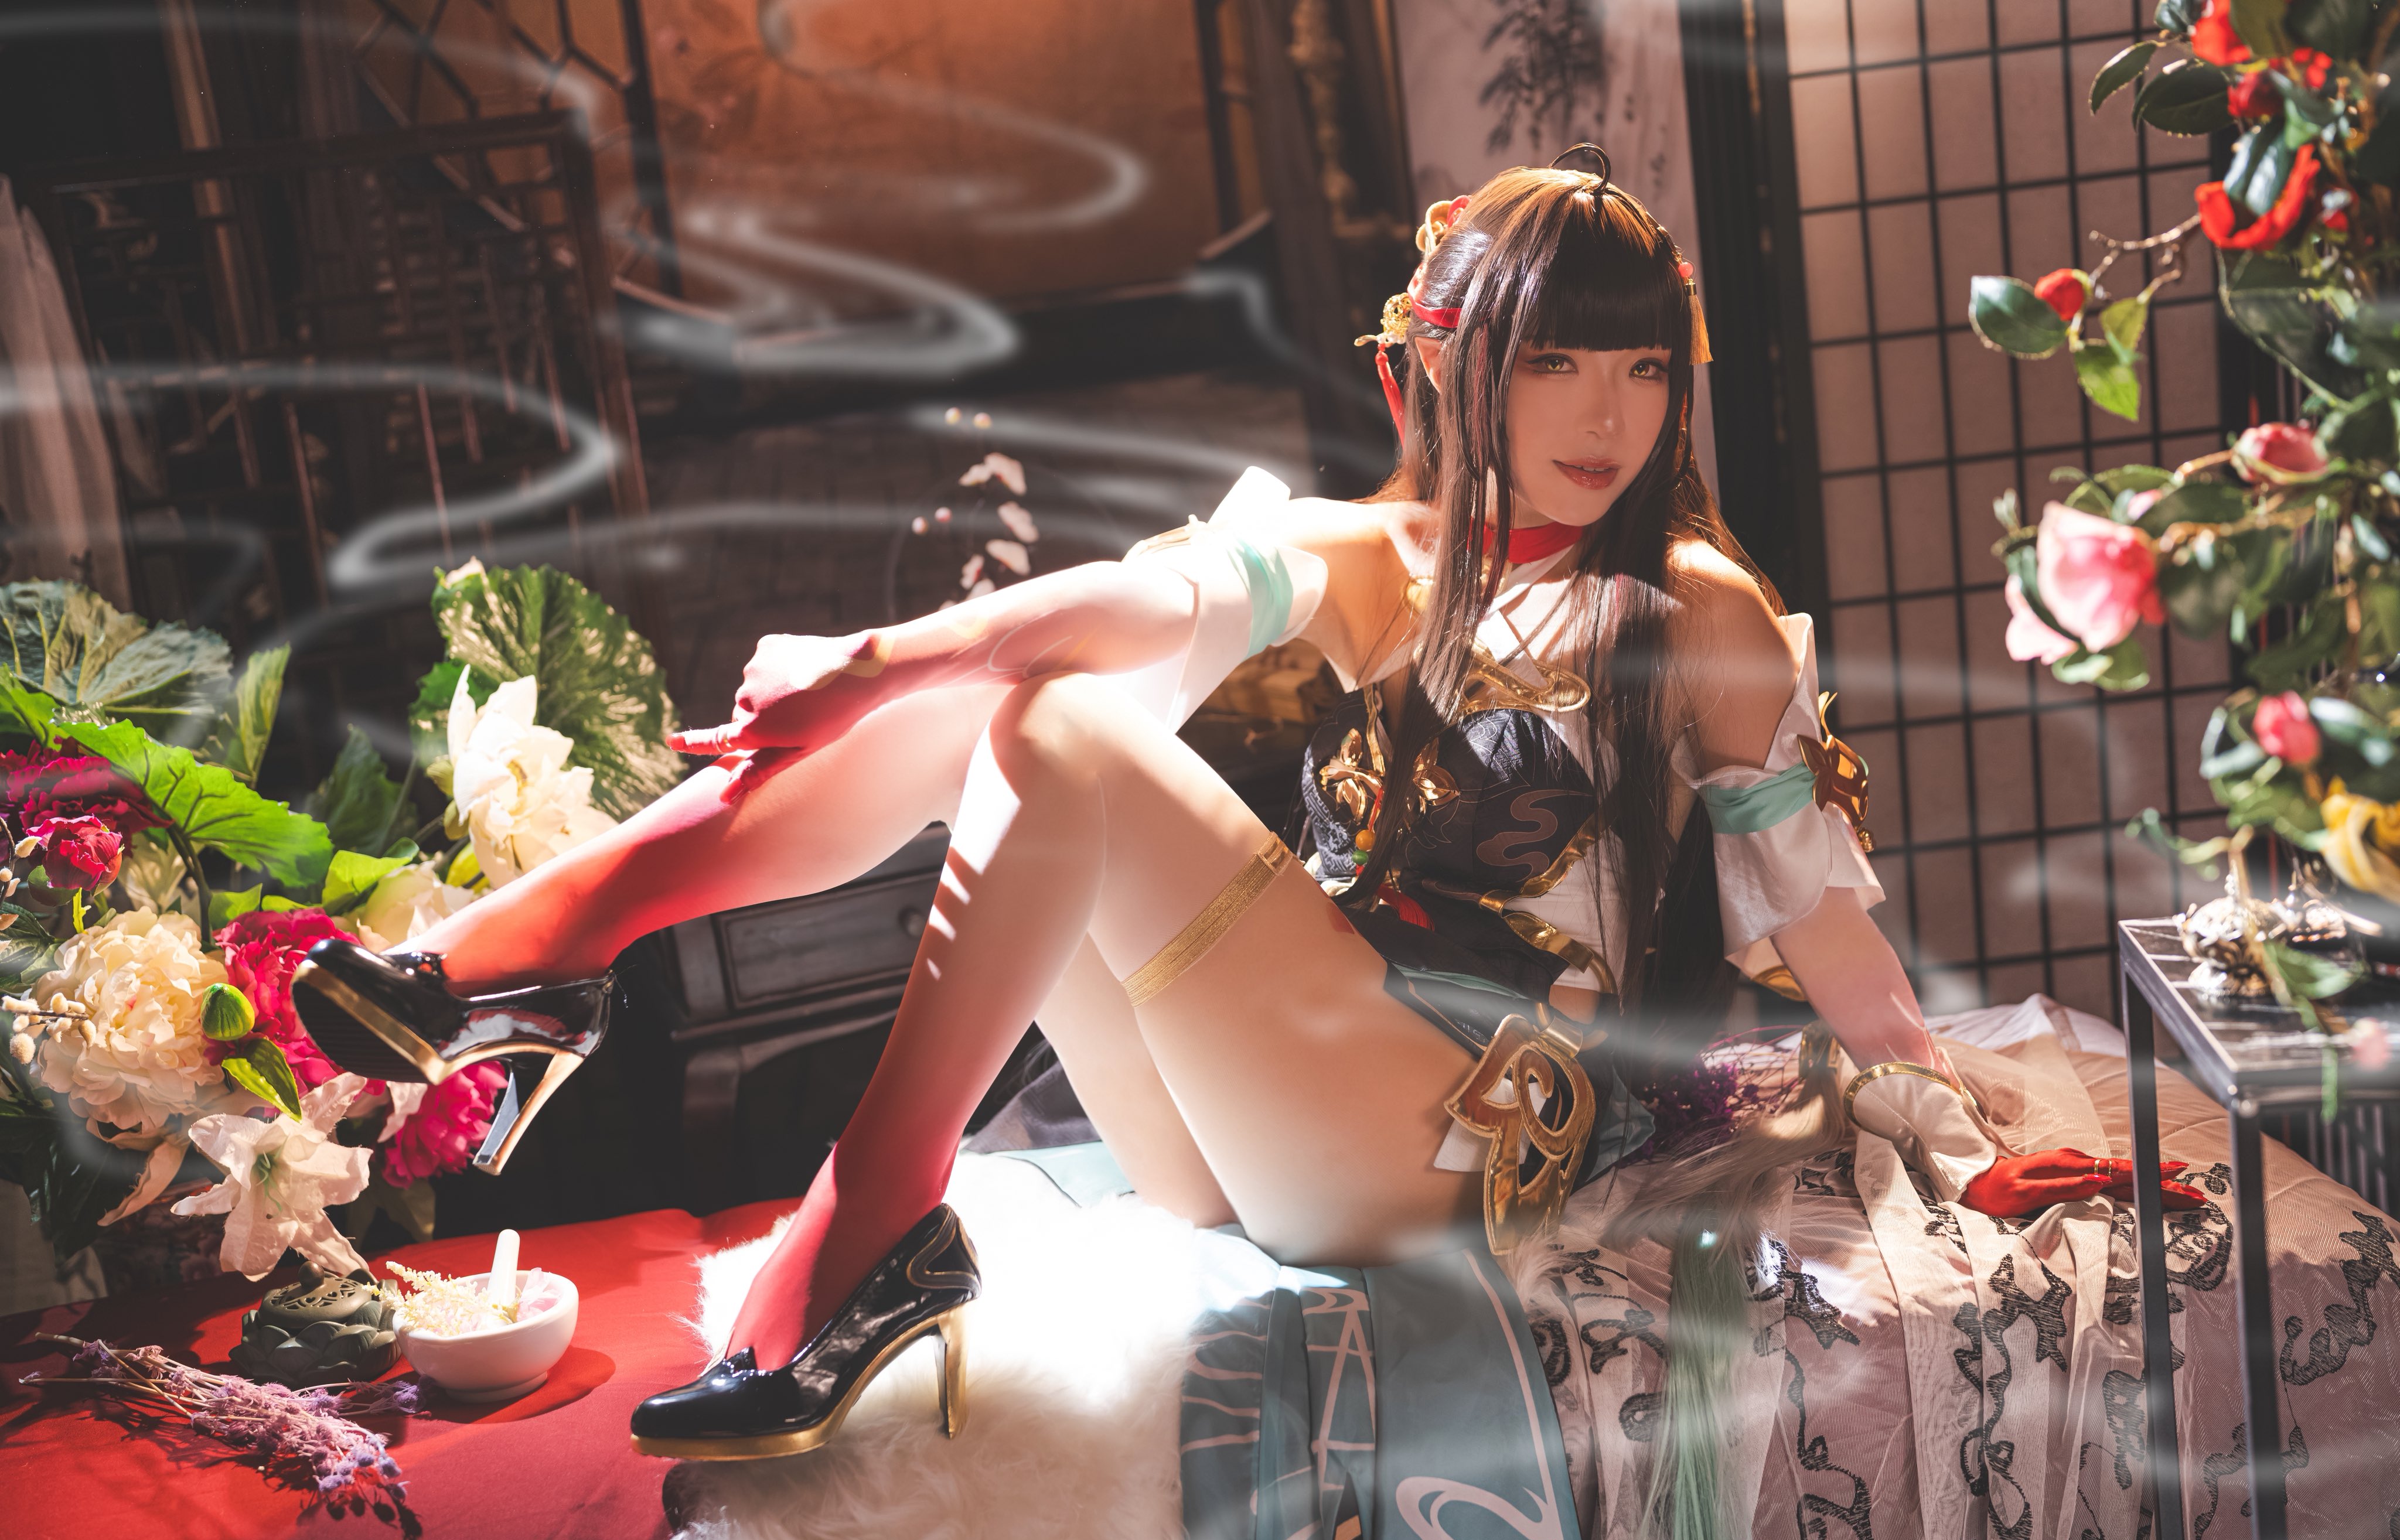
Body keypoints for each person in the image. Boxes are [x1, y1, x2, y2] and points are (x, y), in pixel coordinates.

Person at [288, 148, 2199, 1471]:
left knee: (1053, 735)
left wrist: (1954, 1129)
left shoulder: (1696, 611)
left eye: (1640, 367)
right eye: (1552, 359)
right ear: (1452, 362)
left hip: (1449, 1142)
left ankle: (839, 1196)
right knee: (1009, 701)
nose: (1604, 414)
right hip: (1266, 1126)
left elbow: (1827, 930)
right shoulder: (1379, 555)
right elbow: (1120, 606)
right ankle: (533, 955)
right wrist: (874, 660)